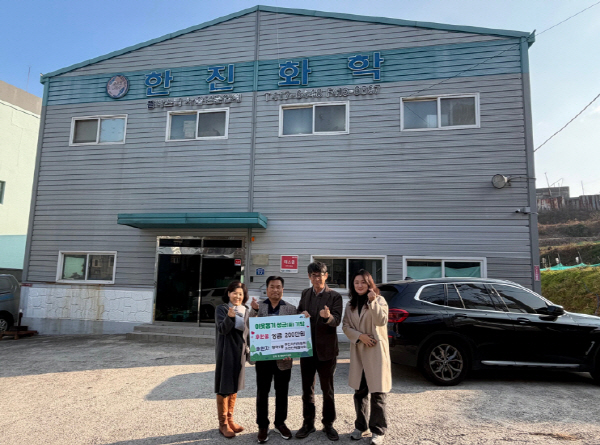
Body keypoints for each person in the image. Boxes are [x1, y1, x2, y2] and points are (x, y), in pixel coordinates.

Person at [342, 270, 391, 445]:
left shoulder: (380, 300)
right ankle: (361, 426)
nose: (360, 285)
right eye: (356, 282)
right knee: (360, 391)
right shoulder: (350, 305)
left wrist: (372, 302)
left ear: (369, 284)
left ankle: (378, 430)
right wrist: (360, 336)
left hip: (375, 352)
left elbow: (381, 321)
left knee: (378, 392)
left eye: (363, 282)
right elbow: (345, 326)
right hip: (359, 352)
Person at [296, 261, 343, 441]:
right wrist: (301, 315)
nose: (317, 278)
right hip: (307, 349)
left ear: (326, 276)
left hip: (327, 350)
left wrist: (328, 317)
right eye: (313, 275)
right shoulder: (305, 293)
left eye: (320, 275)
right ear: (309, 277)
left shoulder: (335, 296)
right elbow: (299, 312)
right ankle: (308, 423)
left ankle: (328, 424)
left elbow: (337, 320)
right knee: (307, 389)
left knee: (327, 389)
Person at [250, 276, 297, 443]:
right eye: (272, 286)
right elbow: (249, 327)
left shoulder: (291, 309)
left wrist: (291, 351)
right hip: (263, 359)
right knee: (262, 392)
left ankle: (280, 423)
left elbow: (295, 333)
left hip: (284, 359)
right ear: (267, 289)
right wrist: (254, 311)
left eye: (278, 287)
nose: (275, 290)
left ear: (282, 289)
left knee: (282, 392)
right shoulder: (259, 306)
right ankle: (263, 425)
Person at [214, 280, 250, 438]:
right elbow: (222, 329)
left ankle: (230, 419)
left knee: (235, 384)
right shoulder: (222, 309)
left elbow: (248, 332)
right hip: (226, 352)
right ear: (228, 294)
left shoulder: (246, 310)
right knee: (224, 385)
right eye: (234, 293)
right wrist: (229, 317)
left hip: (239, 353)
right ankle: (223, 424)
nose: (237, 296)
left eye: (240, 294)